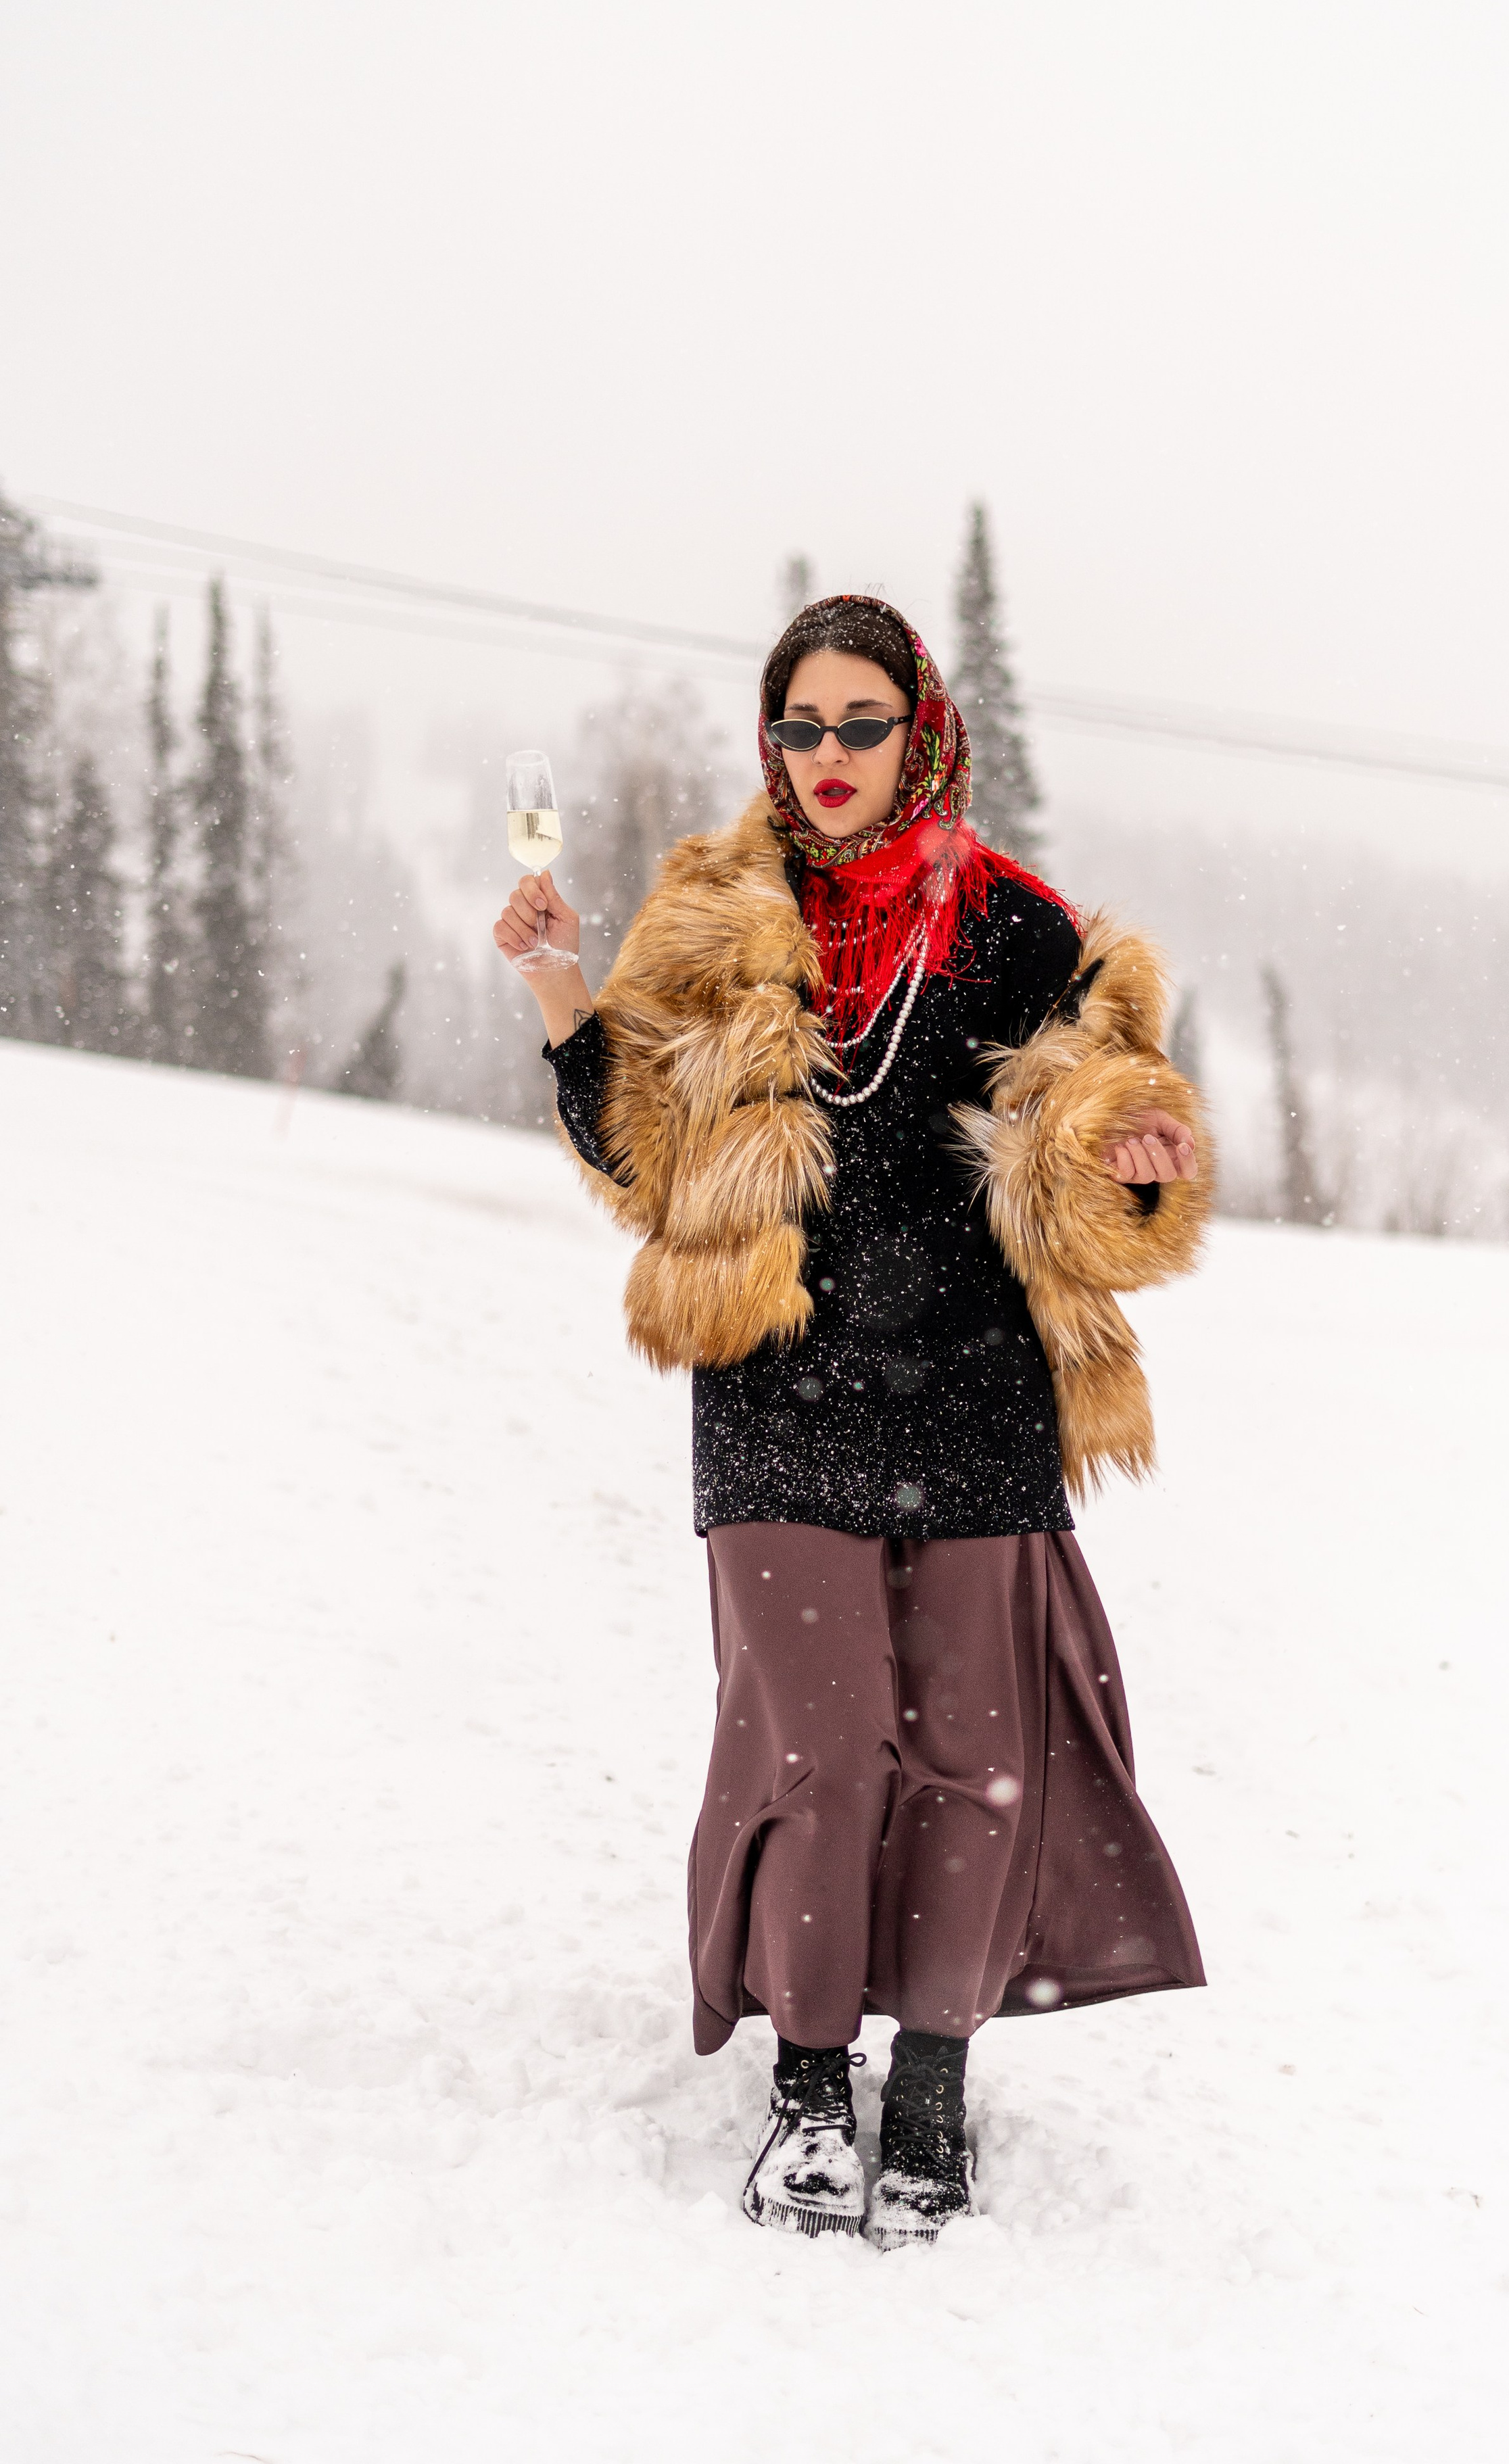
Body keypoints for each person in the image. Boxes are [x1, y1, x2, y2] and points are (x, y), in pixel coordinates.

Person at [494, 594, 1211, 2250]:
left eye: (857, 726)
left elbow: (1115, 1174)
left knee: (970, 1764)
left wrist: (1130, 1168)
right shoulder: (709, 920)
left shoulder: (1031, 939)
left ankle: (935, 2085)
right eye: (799, 728)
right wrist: (554, 987)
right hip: (778, 1392)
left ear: (922, 733)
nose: (824, 759)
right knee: (821, 1744)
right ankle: (812, 2084)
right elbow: (644, 1165)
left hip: (975, 1402)